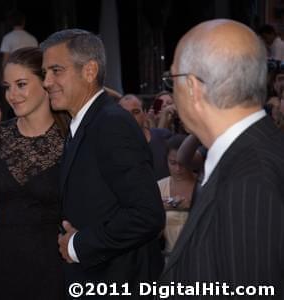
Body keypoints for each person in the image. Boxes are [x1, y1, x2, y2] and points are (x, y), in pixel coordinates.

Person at [161, 19, 284, 297]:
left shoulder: (250, 178)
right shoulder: (252, 154)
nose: (172, 91)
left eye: (172, 80)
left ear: (192, 87)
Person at [41, 29, 165, 299]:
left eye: (56, 70)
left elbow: (147, 215)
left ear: (89, 71)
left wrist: (78, 245)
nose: (47, 82)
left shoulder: (111, 124)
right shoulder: (85, 124)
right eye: (45, 72)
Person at [0, 47, 66, 300]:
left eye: (21, 84)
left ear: (46, 82)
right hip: (1, 270)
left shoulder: (71, 139)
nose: (11, 95)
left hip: (55, 273)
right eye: (7, 86)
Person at [156, 134, 196, 260]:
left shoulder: (203, 185)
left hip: (199, 258)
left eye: (182, 163)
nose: (178, 169)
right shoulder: (160, 187)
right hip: (169, 258)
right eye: (173, 163)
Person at [119, 93, 171, 180]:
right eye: (124, 113)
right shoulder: (112, 146)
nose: (130, 117)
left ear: (145, 114)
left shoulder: (164, 136)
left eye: (135, 112)